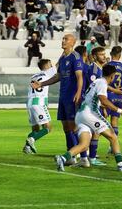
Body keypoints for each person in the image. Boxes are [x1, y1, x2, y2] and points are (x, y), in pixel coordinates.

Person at [54, 64, 122, 172]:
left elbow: (93, 99)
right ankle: (121, 165)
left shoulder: (96, 82)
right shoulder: (102, 83)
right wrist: (120, 111)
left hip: (81, 115)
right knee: (113, 137)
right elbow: (103, 100)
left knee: (83, 145)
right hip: (90, 115)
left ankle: (63, 158)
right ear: (112, 76)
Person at [31, 34, 84, 166]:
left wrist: (78, 92)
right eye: (63, 39)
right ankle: (71, 155)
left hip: (72, 96)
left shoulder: (75, 57)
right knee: (66, 127)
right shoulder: (62, 58)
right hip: (63, 96)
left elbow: (80, 77)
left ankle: (83, 156)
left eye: (66, 39)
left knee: (73, 126)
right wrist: (41, 84)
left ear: (73, 42)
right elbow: (58, 77)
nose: (63, 41)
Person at [23, 59, 56, 154]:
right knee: (48, 128)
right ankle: (31, 139)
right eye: (50, 64)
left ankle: (27, 147)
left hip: (29, 103)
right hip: (39, 102)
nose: (52, 66)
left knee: (35, 128)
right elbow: (59, 64)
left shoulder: (33, 76)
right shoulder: (48, 73)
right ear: (46, 66)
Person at [107, 46, 122, 138]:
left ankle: (91, 146)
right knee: (114, 121)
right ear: (120, 55)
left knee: (101, 120)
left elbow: (102, 82)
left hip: (108, 96)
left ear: (110, 54)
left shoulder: (106, 66)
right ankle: (113, 146)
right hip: (119, 97)